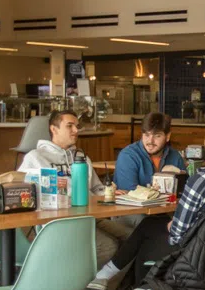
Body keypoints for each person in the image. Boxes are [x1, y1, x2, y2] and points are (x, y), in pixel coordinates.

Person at [87, 119, 205, 290]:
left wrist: (172, 225)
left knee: (147, 233)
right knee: (150, 225)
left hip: (196, 252)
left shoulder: (200, 179)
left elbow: (177, 236)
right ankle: (121, 284)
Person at [18, 110, 131, 266]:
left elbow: (96, 187)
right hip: (60, 223)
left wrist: (108, 192)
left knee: (131, 237)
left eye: (77, 126)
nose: (76, 131)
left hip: (90, 217)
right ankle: (80, 283)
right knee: (108, 246)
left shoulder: (82, 157)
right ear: (54, 129)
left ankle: (105, 283)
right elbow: (21, 192)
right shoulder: (35, 157)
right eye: (70, 126)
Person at [113, 112, 186, 192]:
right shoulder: (128, 156)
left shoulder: (176, 157)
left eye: (157, 136)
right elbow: (129, 194)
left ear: (167, 136)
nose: (150, 141)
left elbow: (183, 192)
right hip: (132, 204)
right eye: (147, 135)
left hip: (171, 204)